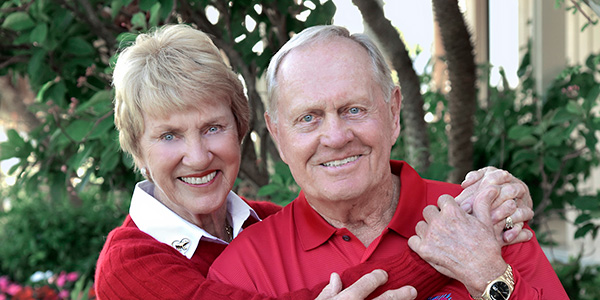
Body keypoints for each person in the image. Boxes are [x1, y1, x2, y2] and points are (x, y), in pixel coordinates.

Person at [94, 24, 533, 300]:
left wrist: (494, 196)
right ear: (138, 150)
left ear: (242, 129)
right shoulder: (129, 263)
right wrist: (448, 249)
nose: (197, 154)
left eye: (212, 127)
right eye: (169, 136)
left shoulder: (261, 224)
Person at [207, 25, 569, 300]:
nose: (335, 137)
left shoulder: (482, 214)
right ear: (277, 135)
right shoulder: (244, 270)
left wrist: (489, 276)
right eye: (308, 118)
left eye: (354, 109)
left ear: (393, 113)